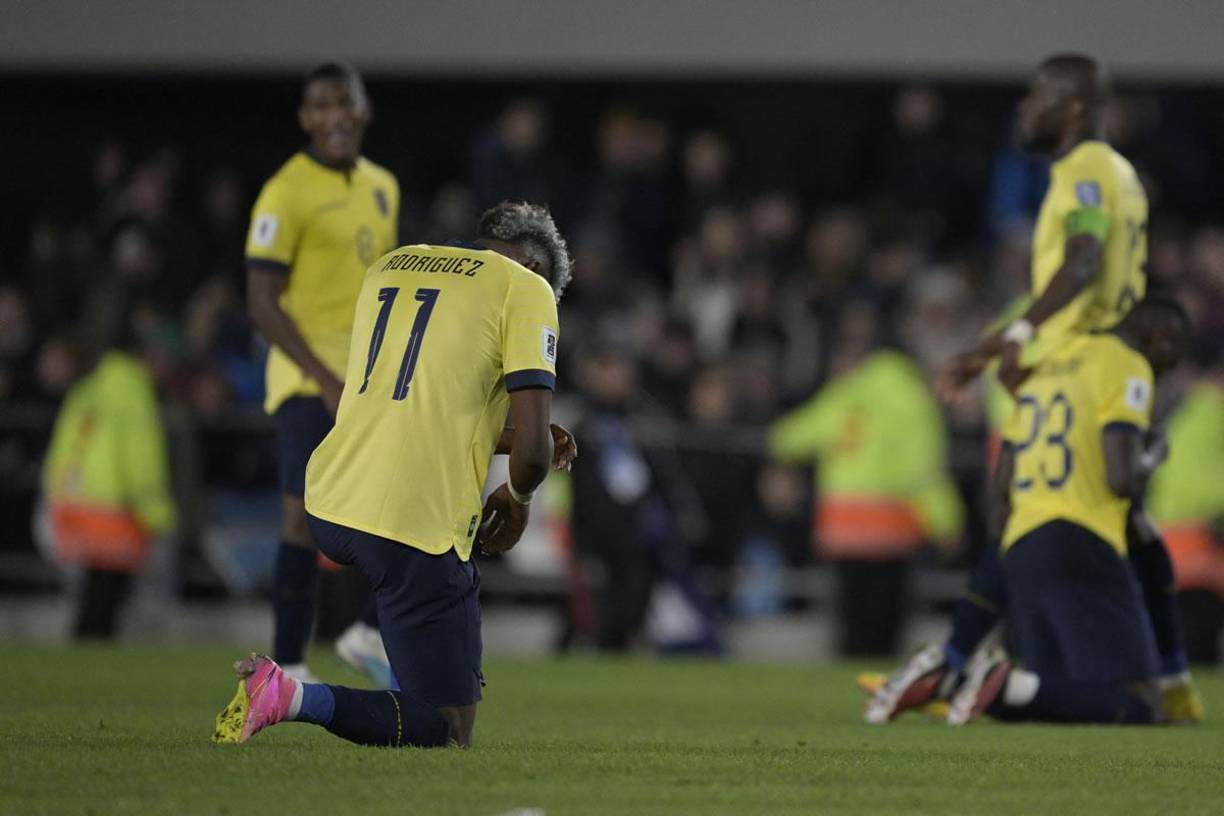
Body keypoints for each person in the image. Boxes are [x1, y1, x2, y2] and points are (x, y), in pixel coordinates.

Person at [868, 54, 1197, 722]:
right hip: (1079, 517)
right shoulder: (1108, 352)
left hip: (1029, 524)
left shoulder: (1087, 172)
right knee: (1138, 562)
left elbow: (1081, 261)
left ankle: (956, 660)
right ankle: (1154, 683)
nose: (1025, 108)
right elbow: (1121, 476)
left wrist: (1009, 343)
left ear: (1074, 107)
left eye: (1038, 96)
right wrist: (995, 347)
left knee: (1075, 567)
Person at [213, 201, 576, 749]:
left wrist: (515, 439)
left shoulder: (397, 263)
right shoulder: (527, 290)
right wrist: (521, 493)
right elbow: (529, 454)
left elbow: (414, 404)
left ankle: (381, 654)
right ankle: (286, 695)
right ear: (538, 269)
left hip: (332, 498)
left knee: (419, 666)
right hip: (410, 520)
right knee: (450, 728)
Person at [946, 295, 1192, 725]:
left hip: (1023, 545)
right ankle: (1004, 684)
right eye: (1172, 357)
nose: (1167, 371)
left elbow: (1001, 489)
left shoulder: (1047, 368)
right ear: (1159, 338)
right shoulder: (1124, 364)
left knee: (1059, 699)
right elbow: (1120, 479)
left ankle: (1001, 688)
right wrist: (1151, 455)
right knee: (1141, 702)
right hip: (1081, 539)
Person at [244, 62, 400, 682]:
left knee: (400, 505)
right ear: (306, 118)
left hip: (367, 377)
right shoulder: (285, 192)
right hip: (308, 381)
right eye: (321, 106)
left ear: (363, 110)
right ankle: (287, 663)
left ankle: (367, 633)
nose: (335, 116)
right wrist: (325, 378)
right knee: (301, 516)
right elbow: (261, 301)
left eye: (345, 103)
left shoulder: (384, 186)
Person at [769, 301, 964, 656]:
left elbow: (790, 436)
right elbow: (924, 469)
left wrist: (778, 462)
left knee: (850, 626)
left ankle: (846, 693)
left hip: (842, 526)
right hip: (892, 528)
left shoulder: (847, 391)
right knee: (885, 629)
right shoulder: (912, 397)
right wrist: (946, 521)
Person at [41, 288, 176, 639]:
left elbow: (63, 447)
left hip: (71, 506)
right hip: (112, 513)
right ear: (149, 355)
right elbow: (142, 462)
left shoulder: (89, 386)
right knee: (105, 603)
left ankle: (80, 659)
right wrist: (160, 516)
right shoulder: (134, 392)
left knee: (91, 598)